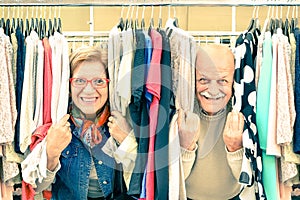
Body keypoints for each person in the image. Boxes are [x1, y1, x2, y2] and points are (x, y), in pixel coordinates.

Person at [21, 46, 137, 200]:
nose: (89, 90)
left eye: (99, 81)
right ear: (68, 87)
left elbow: (146, 179)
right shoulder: (58, 125)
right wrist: (52, 152)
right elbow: (36, 186)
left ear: (110, 85)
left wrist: (127, 140)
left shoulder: (123, 122)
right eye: (80, 80)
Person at [179, 44, 254, 199]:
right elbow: (173, 180)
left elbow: (248, 182)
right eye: (204, 80)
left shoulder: (243, 111)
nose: (213, 90)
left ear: (233, 81)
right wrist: (186, 147)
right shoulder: (181, 111)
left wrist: (235, 148)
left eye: (222, 81)